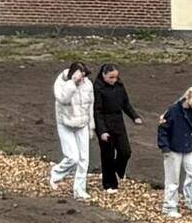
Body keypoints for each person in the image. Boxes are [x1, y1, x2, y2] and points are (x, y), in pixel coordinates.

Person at [155, 86, 192, 218]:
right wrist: (164, 147)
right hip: (173, 149)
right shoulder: (173, 111)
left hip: (188, 147)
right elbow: (163, 129)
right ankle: (169, 206)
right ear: (187, 98)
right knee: (172, 180)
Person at [49, 61, 97, 200]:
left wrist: (91, 126)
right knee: (72, 157)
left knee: (84, 159)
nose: (83, 79)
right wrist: (73, 83)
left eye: (84, 76)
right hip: (66, 123)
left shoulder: (87, 84)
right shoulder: (62, 82)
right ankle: (56, 174)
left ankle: (79, 190)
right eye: (81, 76)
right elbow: (62, 99)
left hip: (82, 123)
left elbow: (90, 105)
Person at [92, 66, 137, 193]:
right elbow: (97, 112)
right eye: (111, 77)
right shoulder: (98, 89)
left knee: (125, 151)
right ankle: (109, 184)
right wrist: (102, 131)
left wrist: (134, 116)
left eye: (115, 77)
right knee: (108, 155)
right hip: (105, 125)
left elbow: (125, 104)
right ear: (103, 75)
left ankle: (117, 171)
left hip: (118, 123)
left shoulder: (119, 86)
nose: (114, 80)